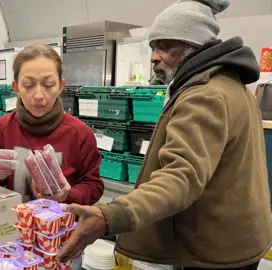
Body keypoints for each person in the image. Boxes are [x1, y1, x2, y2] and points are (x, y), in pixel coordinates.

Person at [57, 0, 272, 269]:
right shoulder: (230, 83)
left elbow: (180, 177)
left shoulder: (204, 96)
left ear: (194, 46)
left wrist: (110, 216)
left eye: (165, 46)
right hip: (238, 235)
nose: (153, 56)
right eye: (152, 47)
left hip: (216, 250)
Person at [0, 44, 104, 205]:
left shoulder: (80, 133)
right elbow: (0, 184)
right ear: (16, 87)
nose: (39, 95)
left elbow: (94, 186)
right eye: (28, 85)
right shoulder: (3, 129)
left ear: (61, 86)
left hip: (63, 227)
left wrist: (68, 195)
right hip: (13, 225)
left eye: (48, 85)